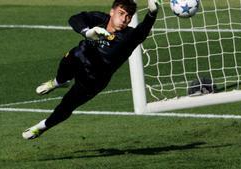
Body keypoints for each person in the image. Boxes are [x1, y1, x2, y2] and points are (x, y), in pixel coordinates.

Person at [22, 0, 161, 140]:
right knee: (72, 56)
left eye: (129, 16)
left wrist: (152, 14)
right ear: (112, 12)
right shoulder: (100, 19)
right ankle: (59, 81)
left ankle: (42, 127)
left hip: (94, 80)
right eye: (121, 13)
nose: (124, 19)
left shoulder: (129, 36)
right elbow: (74, 19)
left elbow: (142, 30)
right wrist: (87, 32)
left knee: (67, 105)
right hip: (79, 58)